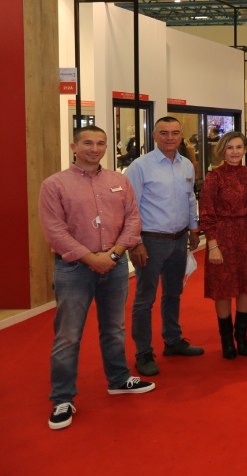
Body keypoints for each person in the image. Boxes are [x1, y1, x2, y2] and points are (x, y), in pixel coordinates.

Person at [40, 126, 153, 430]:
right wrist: (92, 259)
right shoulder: (54, 185)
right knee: (68, 336)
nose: (94, 148)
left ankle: (118, 379)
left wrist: (113, 256)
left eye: (100, 143)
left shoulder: (119, 181)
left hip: (115, 266)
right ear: (74, 147)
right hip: (73, 269)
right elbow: (55, 231)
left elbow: (133, 219)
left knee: (114, 328)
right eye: (87, 143)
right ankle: (62, 398)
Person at [125, 116, 203, 377]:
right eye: (164, 133)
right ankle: (143, 352)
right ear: (154, 136)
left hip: (179, 239)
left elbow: (190, 199)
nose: (170, 137)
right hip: (150, 241)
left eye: (175, 133)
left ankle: (172, 340)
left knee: (173, 294)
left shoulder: (186, 165)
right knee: (144, 299)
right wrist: (135, 242)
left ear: (181, 136)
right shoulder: (140, 166)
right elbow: (130, 208)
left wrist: (194, 229)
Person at [200, 131, 247, 359]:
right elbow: (206, 213)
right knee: (223, 288)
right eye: (230, 147)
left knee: (245, 286)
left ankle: (241, 336)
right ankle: (226, 340)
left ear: (245, 150)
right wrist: (212, 245)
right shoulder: (214, 177)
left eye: (238, 147)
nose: (234, 152)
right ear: (222, 151)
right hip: (222, 238)